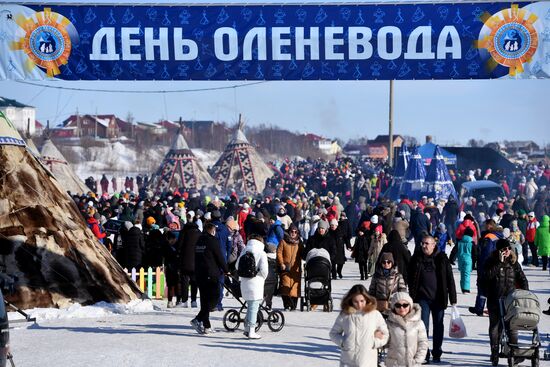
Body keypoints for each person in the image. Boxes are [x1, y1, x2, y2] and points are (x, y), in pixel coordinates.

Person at [408, 235, 457, 364]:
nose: (424, 246)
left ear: (433, 245)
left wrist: (453, 298)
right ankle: (424, 352)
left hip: (438, 298)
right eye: (422, 243)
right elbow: (410, 277)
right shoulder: (416, 258)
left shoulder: (442, 259)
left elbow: (450, 279)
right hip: (421, 298)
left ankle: (437, 352)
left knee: (438, 326)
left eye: (427, 243)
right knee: (423, 327)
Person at [484, 238, 529, 366]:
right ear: (499, 250)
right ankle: (494, 353)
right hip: (494, 298)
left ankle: (514, 352)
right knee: (495, 327)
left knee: (512, 326)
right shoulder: (491, 261)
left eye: (508, 248)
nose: (507, 251)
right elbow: (487, 276)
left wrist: (525, 293)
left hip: (510, 299)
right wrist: (499, 262)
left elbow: (522, 278)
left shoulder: (514, 262)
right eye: (504, 249)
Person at [329, 284, 389, 367]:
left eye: (362, 301)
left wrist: (374, 342)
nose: (359, 304)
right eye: (355, 301)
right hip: (348, 360)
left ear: (367, 300)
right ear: (350, 301)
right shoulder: (345, 315)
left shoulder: (375, 314)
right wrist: (344, 342)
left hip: (368, 360)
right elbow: (333, 333)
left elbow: (385, 334)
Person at [190, 223, 228, 334]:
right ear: (212, 230)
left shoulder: (199, 241)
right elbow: (219, 257)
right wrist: (226, 269)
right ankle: (198, 319)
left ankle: (206, 326)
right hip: (211, 273)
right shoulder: (212, 241)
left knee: (204, 299)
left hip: (199, 273)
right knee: (214, 297)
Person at [236, 235, 268, 339]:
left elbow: (237, 266)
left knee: (250, 306)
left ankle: (246, 328)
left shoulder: (245, 250)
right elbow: (264, 271)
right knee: (254, 307)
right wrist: (261, 277)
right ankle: (251, 331)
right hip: (256, 283)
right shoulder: (261, 253)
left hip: (244, 282)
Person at [385, 292, 429, 367]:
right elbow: (384, 342)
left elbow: (423, 343)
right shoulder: (389, 323)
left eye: (405, 305)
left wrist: (417, 360)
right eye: (398, 305)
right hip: (394, 364)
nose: (402, 308)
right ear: (393, 307)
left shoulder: (418, 322)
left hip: (413, 364)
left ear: (410, 305)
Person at [368, 252, 407, 317]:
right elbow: (372, 290)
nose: (386, 264)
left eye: (388, 262)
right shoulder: (376, 276)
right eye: (384, 262)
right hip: (380, 306)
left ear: (392, 263)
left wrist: (401, 302)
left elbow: (402, 290)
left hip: (393, 306)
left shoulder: (397, 276)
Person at [276, 224, 303, 311]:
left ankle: (294, 305)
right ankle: (286, 305)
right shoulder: (283, 241)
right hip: (285, 268)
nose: (293, 233)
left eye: (295, 232)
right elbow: (279, 252)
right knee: (285, 286)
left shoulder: (299, 243)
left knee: (295, 288)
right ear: (289, 231)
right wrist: (281, 263)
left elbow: (302, 254)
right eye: (292, 231)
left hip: (296, 268)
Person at [162, 231, 180, 308]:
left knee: (173, 285)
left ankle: (173, 301)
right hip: (174, 267)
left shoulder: (166, 246)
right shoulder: (177, 246)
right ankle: (174, 301)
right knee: (174, 284)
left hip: (171, 267)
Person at [457, 227, 474, 294]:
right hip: (468, 260)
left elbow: (454, 251)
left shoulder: (459, 242)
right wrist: (475, 261)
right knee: (466, 274)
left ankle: (463, 287)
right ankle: (466, 289)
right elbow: (474, 253)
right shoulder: (471, 243)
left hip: (461, 260)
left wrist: (451, 259)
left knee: (462, 274)